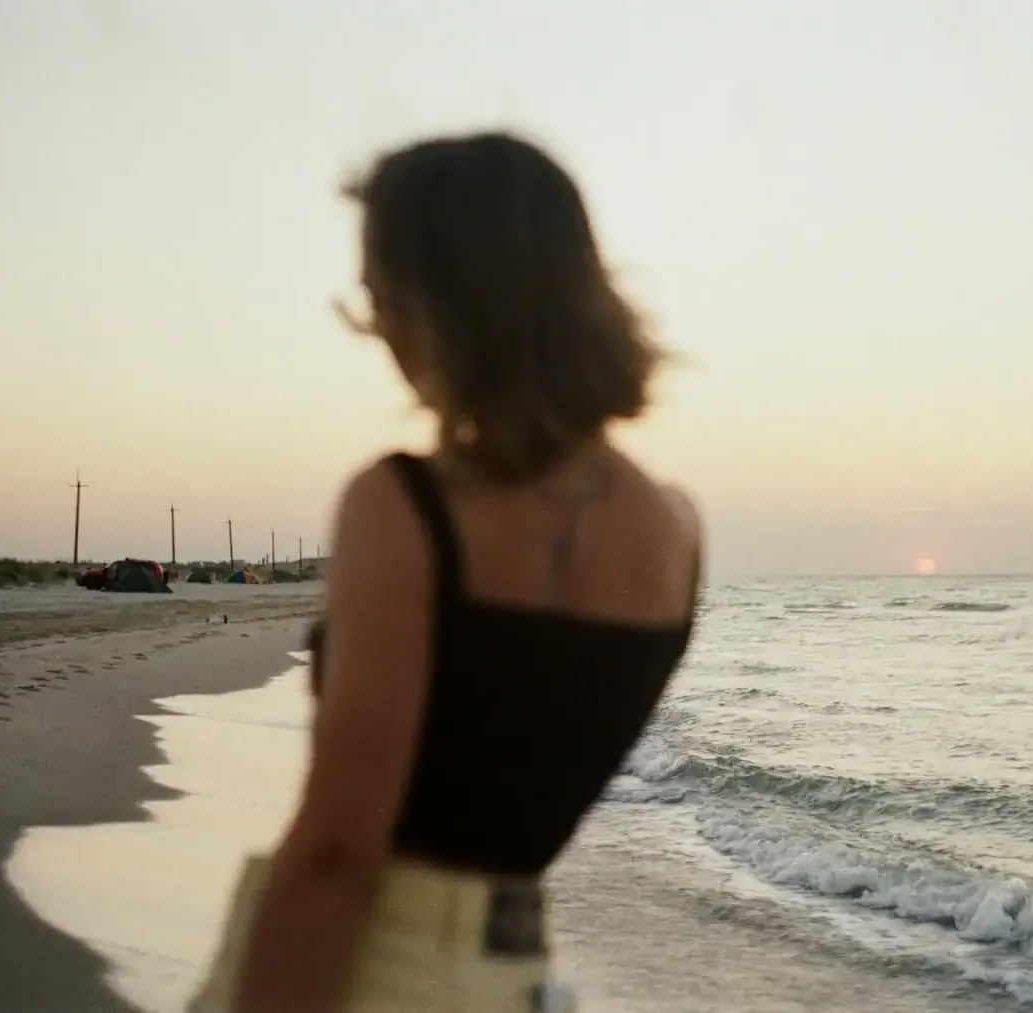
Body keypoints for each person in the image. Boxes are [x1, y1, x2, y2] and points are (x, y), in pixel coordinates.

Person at [188, 131, 702, 1013]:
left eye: (383, 292)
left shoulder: (403, 506)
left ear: (445, 306)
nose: (376, 321)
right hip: (515, 977)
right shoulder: (676, 530)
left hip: (365, 970)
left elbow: (340, 856)